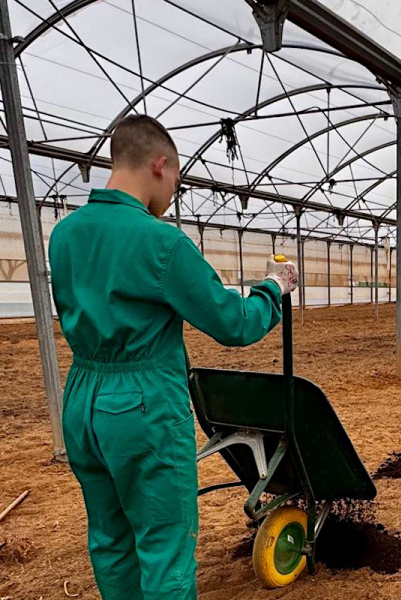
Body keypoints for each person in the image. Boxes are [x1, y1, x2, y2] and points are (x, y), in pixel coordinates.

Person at [48, 114, 298, 600]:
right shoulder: (160, 242)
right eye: (177, 180)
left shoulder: (65, 234)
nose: (173, 195)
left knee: (110, 537)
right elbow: (233, 323)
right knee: (164, 545)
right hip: (142, 405)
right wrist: (274, 289)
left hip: (81, 399)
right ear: (160, 165)